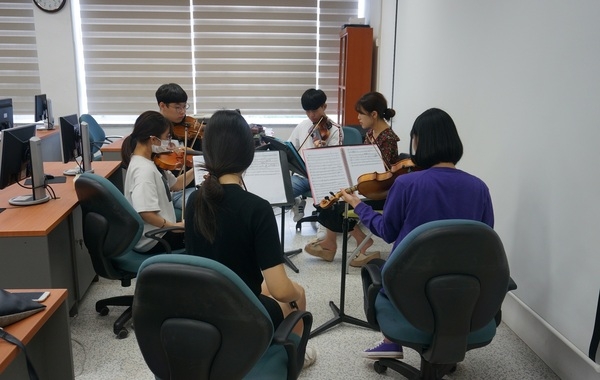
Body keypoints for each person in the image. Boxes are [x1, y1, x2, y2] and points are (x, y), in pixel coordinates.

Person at [338, 107, 494, 359]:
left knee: (381, 267)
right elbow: (484, 243)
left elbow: (386, 231)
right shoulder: (479, 188)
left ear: (418, 141)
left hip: (410, 289)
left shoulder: (407, 184)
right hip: (462, 292)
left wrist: (359, 205)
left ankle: (391, 341)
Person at [184, 109, 316, 368]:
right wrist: (296, 292)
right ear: (248, 154)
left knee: (266, 290)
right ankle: (294, 359)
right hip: (242, 315)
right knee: (295, 293)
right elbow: (279, 289)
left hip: (202, 310)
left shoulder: (194, 201)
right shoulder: (257, 208)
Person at [304, 92, 401, 267]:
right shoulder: (372, 133)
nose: (358, 118)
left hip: (379, 192)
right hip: (368, 186)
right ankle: (330, 243)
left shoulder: (388, 139)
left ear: (374, 114)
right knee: (326, 196)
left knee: (334, 204)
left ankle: (359, 242)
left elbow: (382, 174)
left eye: (361, 114)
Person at [121, 110, 189, 254]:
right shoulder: (144, 171)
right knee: (207, 235)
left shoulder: (150, 161)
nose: (169, 143)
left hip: (159, 231)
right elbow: (146, 213)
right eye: (166, 137)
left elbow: (176, 184)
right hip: (154, 240)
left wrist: (196, 166)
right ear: (153, 140)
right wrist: (175, 226)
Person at [287, 88, 342, 222]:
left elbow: (335, 159)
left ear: (324, 106)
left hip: (322, 178)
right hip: (302, 176)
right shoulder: (303, 125)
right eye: (307, 111)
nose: (311, 115)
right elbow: (290, 146)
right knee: (281, 193)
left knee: (326, 201)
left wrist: (322, 151)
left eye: (315, 110)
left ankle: (324, 226)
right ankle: (297, 202)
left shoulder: (335, 129)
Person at [155, 83, 199, 211]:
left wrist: (195, 153)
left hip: (196, 185)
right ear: (162, 105)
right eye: (177, 107)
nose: (183, 112)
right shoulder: (154, 133)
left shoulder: (190, 129)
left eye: (185, 107)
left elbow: (205, 154)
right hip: (174, 191)